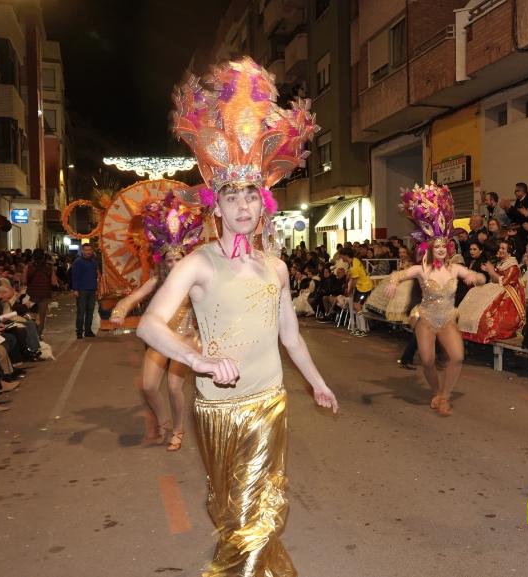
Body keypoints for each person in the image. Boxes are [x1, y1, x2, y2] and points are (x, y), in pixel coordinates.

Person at [138, 58, 338, 576]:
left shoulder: (276, 266)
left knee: (261, 508)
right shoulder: (198, 263)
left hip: (268, 401)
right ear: (217, 207)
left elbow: (290, 336)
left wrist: (317, 383)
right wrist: (198, 361)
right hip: (217, 407)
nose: (244, 206)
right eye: (233, 197)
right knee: (228, 506)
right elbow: (149, 324)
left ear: (263, 203)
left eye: (252, 195)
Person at [111, 193, 206, 452]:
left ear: (185, 258)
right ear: (163, 262)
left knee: (174, 388)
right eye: (170, 259)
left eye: (179, 258)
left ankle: (178, 430)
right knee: (149, 386)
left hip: (185, 340)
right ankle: (163, 422)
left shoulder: (194, 282)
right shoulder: (157, 281)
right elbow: (133, 297)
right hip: (162, 339)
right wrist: (120, 310)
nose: (174, 263)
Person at [386, 182, 485, 416]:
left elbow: (479, 277)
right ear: (430, 249)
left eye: (444, 246)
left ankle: (445, 397)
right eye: (437, 247)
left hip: (448, 319)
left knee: (457, 357)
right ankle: (436, 391)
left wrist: (477, 277)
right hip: (426, 319)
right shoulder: (422, 270)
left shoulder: (455, 268)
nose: (441, 250)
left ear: (448, 248)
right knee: (428, 360)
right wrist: (393, 282)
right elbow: (400, 274)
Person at [70, 244, 99, 339]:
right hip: (81, 290)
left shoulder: (94, 262)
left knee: (90, 312)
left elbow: (95, 276)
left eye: (90, 250)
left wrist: (96, 289)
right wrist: (75, 289)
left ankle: (88, 331)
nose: (88, 252)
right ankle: (79, 332)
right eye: (86, 250)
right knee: (81, 312)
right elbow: (75, 276)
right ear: (82, 251)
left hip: (92, 290)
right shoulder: (78, 262)